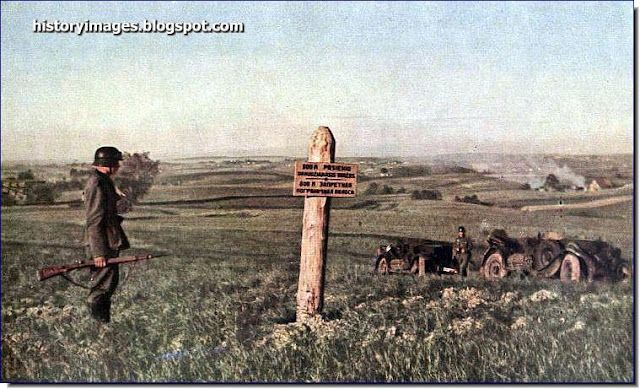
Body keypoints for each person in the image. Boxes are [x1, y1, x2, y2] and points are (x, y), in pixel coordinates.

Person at [84, 146, 130, 323]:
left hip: (107, 241)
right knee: (102, 287)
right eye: (116, 162)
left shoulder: (103, 180)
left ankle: (103, 323)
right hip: (102, 244)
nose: (118, 166)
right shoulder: (97, 183)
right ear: (108, 164)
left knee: (108, 283)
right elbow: (94, 220)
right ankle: (99, 325)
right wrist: (98, 253)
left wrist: (115, 193)